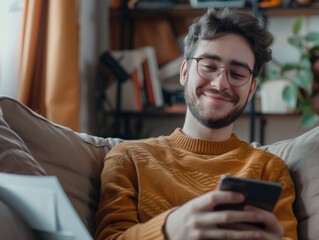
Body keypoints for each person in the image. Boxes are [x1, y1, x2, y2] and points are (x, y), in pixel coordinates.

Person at [95, 8, 297, 240]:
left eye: (238, 73)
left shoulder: (269, 169)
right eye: (209, 66)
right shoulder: (128, 158)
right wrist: (170, 229)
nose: (220, 84)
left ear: (251, 89)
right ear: (184, 72)